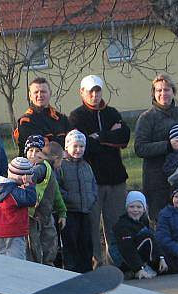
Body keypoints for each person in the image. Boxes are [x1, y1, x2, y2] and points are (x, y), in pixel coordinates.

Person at [68, 75, 130, 266]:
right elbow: (85, 146)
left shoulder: (112, 113)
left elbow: (124, 138)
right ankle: (97, 264)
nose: (94, 95)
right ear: (82, 92)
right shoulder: (76, 116)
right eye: (90, 91)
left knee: (116, 224)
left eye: (97, 91)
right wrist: (109, 137)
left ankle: (117, 264)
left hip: (116, 178)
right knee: (92, 225)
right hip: (91, 180)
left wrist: (99, 136)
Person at [134, 74, 178, 221]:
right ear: (153, 93)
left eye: (166, 90)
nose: (163, 94)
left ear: (173, 92)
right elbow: (140, 148)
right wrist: (168, 146)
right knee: (162, 223)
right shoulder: (146, 118)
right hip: (157, 180)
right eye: (158, 90)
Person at [58, 130, 98, 273]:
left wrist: (92, 197)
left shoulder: (86, 166)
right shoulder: (61, 166)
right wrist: (69, 198)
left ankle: (87, 271)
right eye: (75, 146)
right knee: (71, 244)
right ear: (67, 147)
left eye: (81, 146)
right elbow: (57, 187)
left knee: (86, 243)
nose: (78, 150)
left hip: (85, 210)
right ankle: (72, 271)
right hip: (69, 212)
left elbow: (93, 185)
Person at [24, 135, 66, 265]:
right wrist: (29, 179)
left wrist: (62, 212)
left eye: (37, 151)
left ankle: (47, 268)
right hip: (33, 215)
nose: (33, 154)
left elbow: (56, 194)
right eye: (30, 151)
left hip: (43, 215)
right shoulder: (39, 167)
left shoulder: (45, 167)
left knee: (48, 244)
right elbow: (35, 174)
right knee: (35, 247)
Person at [111, 191, 167, 279]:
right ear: (126, 208)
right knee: (147, 237)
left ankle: (153, 265)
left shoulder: (143, 221)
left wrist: (161, 258)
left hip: (137, 255)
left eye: (139, 207)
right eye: (131, 207)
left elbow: (154, 241)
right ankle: (135, 270)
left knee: (151, 236)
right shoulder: (122, 225)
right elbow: (127, 249)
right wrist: (138, 268)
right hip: (123, 260)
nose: (135, 210)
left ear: (144, 209)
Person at [0, 157, 37, 259]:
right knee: (17, 261)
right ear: (23, 177)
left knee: (2, 258)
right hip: (14, 233)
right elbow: (32, 199)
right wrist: (29, 184)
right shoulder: (14, 193)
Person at [14, 77, 71, 156]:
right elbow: (42, 148)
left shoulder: (61, 118)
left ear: (50, 93)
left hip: (62, 164)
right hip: (36, 166)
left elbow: (73, 142)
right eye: (36, 92)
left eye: (43, 92)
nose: (40, 95)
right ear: (30, 96)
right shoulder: (25, 121)